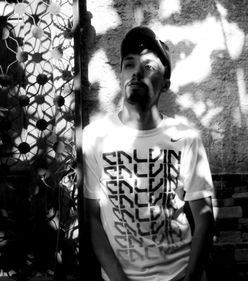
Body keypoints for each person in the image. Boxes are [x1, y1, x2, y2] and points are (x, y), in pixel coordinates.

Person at [83, 26, 215, 281]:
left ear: (165, 83)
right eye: (129, 65)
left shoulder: (186, 137)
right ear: (120, 75)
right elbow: (91, 218)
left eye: (149, 67)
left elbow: (204, 220)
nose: (136, 73)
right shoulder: (94, 137)